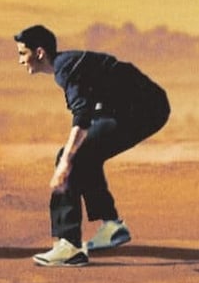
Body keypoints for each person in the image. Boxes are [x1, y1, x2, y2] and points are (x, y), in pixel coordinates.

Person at [14, 24, 169, 268]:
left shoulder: (65, 68)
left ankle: (69, 245)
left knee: (72, 156)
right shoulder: (67, 65)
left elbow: (82, 116)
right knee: (85, 155)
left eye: (23, 53)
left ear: (40, 53)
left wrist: (65, 162)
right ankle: (111, 226)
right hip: (141, 106)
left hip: (143, 109)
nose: (20, 60)